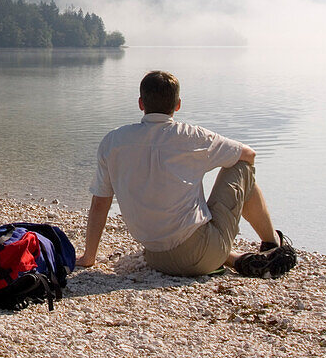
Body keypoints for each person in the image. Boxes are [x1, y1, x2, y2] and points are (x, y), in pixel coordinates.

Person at [77, 70, 297, 278]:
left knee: (186, 232)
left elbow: (100, 203)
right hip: (200, 252)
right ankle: (272, 245)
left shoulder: (113, 141)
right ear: (178, 105)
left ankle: (238, 259)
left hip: (156, 257)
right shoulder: (191, 137)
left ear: (141, 104)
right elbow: (249, 154)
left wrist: (89, 256)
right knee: (242, 168)